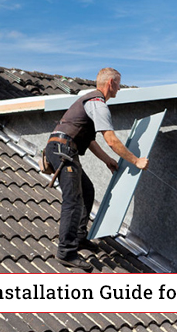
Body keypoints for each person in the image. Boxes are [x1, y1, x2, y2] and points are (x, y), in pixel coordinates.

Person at [45, 67, 149, 270]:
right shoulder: (98, 103)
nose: (119, 88)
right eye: (118, 83)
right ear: (111, 83)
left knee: (87, 190)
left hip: (63, 148)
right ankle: (66, 251)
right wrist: (136, 161)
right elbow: (110, 139)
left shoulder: (89, 101)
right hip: (62, 149)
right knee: (73, 200)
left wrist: (107, 160)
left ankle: (80, 238)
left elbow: (90, 140)